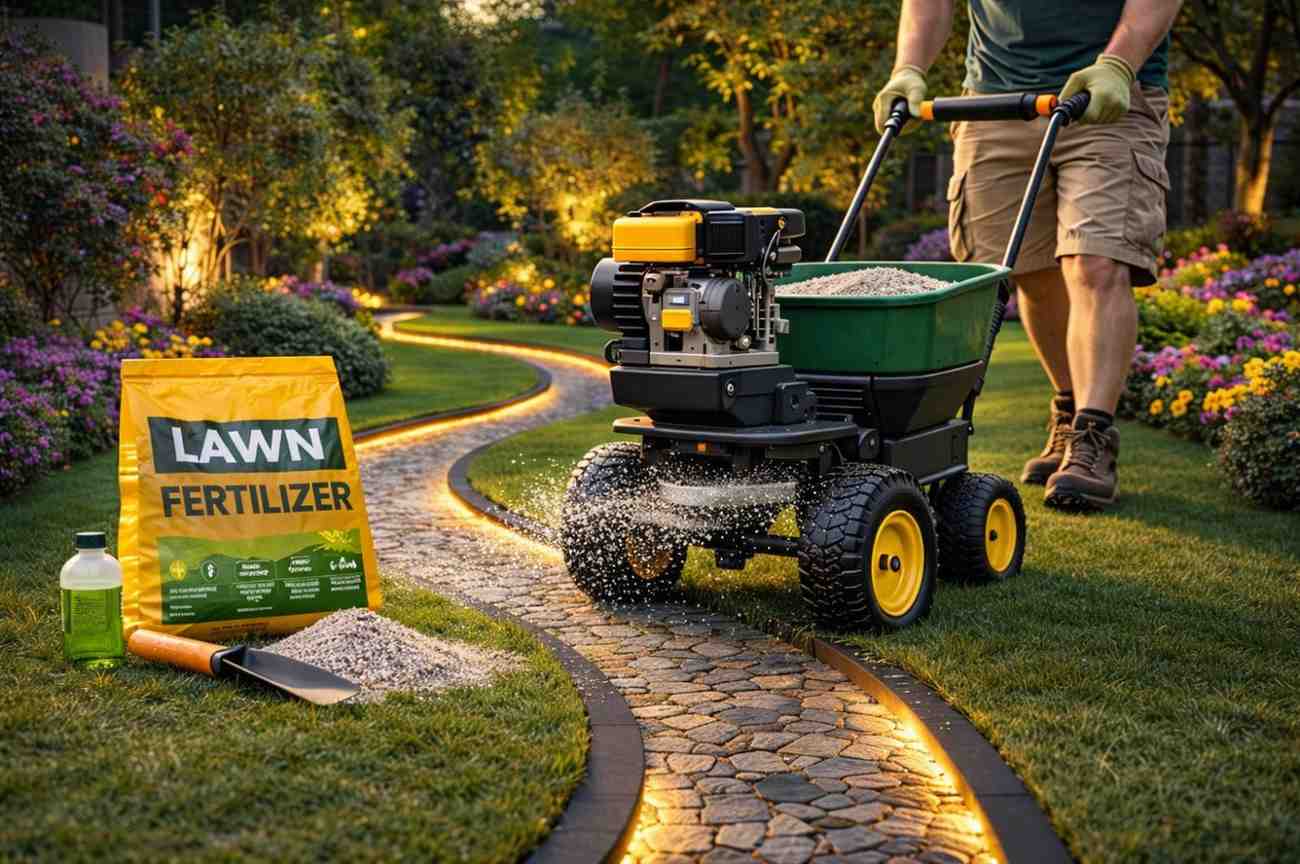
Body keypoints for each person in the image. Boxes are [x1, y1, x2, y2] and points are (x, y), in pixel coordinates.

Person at [873, 0, 1182, 510]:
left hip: (1107, 95)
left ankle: (1093, 434)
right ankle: (1068, 407)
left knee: (1095, 261)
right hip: (995, 102)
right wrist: (908, 68)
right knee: (1026, 272)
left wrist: (1118, 64)